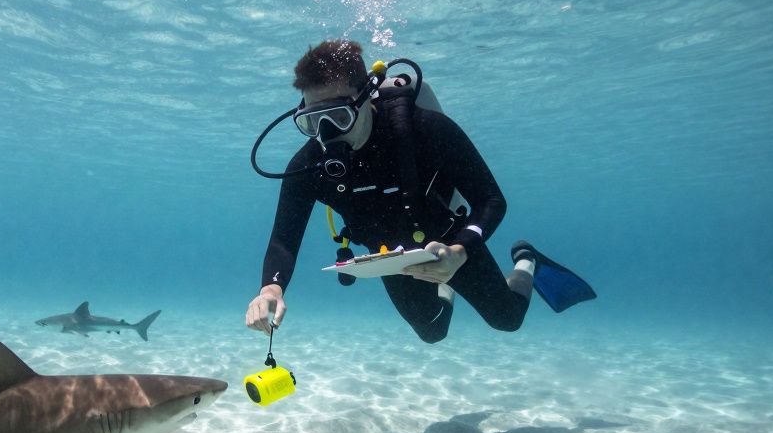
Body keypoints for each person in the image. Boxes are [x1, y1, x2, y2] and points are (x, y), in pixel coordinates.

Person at [244, 40, 593, 343]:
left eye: (338, 117)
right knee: (432, 332)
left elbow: (491, 200)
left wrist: (460, 250)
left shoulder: (425, 130)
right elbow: (283, 241)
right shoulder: (307, 166)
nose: (326, 133)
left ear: (365, 97)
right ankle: (446, 285)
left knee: (507, 320)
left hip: (451, 240)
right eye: (312, 121)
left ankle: (526, 259)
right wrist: (270, 289)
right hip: (391, 255)